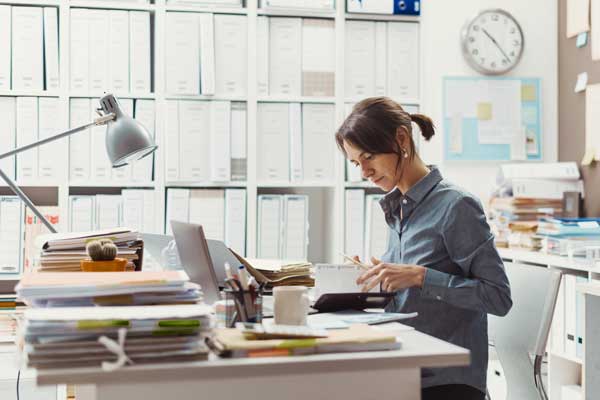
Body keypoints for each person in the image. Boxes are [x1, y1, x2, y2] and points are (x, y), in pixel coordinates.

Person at [335, 97, 512, 400]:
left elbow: (498, 297)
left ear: (401, 139)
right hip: (404, 366)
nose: (363, 171)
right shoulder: (399, 208)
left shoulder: (456, 206)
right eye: (355, 163)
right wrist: (377, 280)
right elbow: (412, 302)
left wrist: (420, 277)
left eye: (368, 157)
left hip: (446, 382)